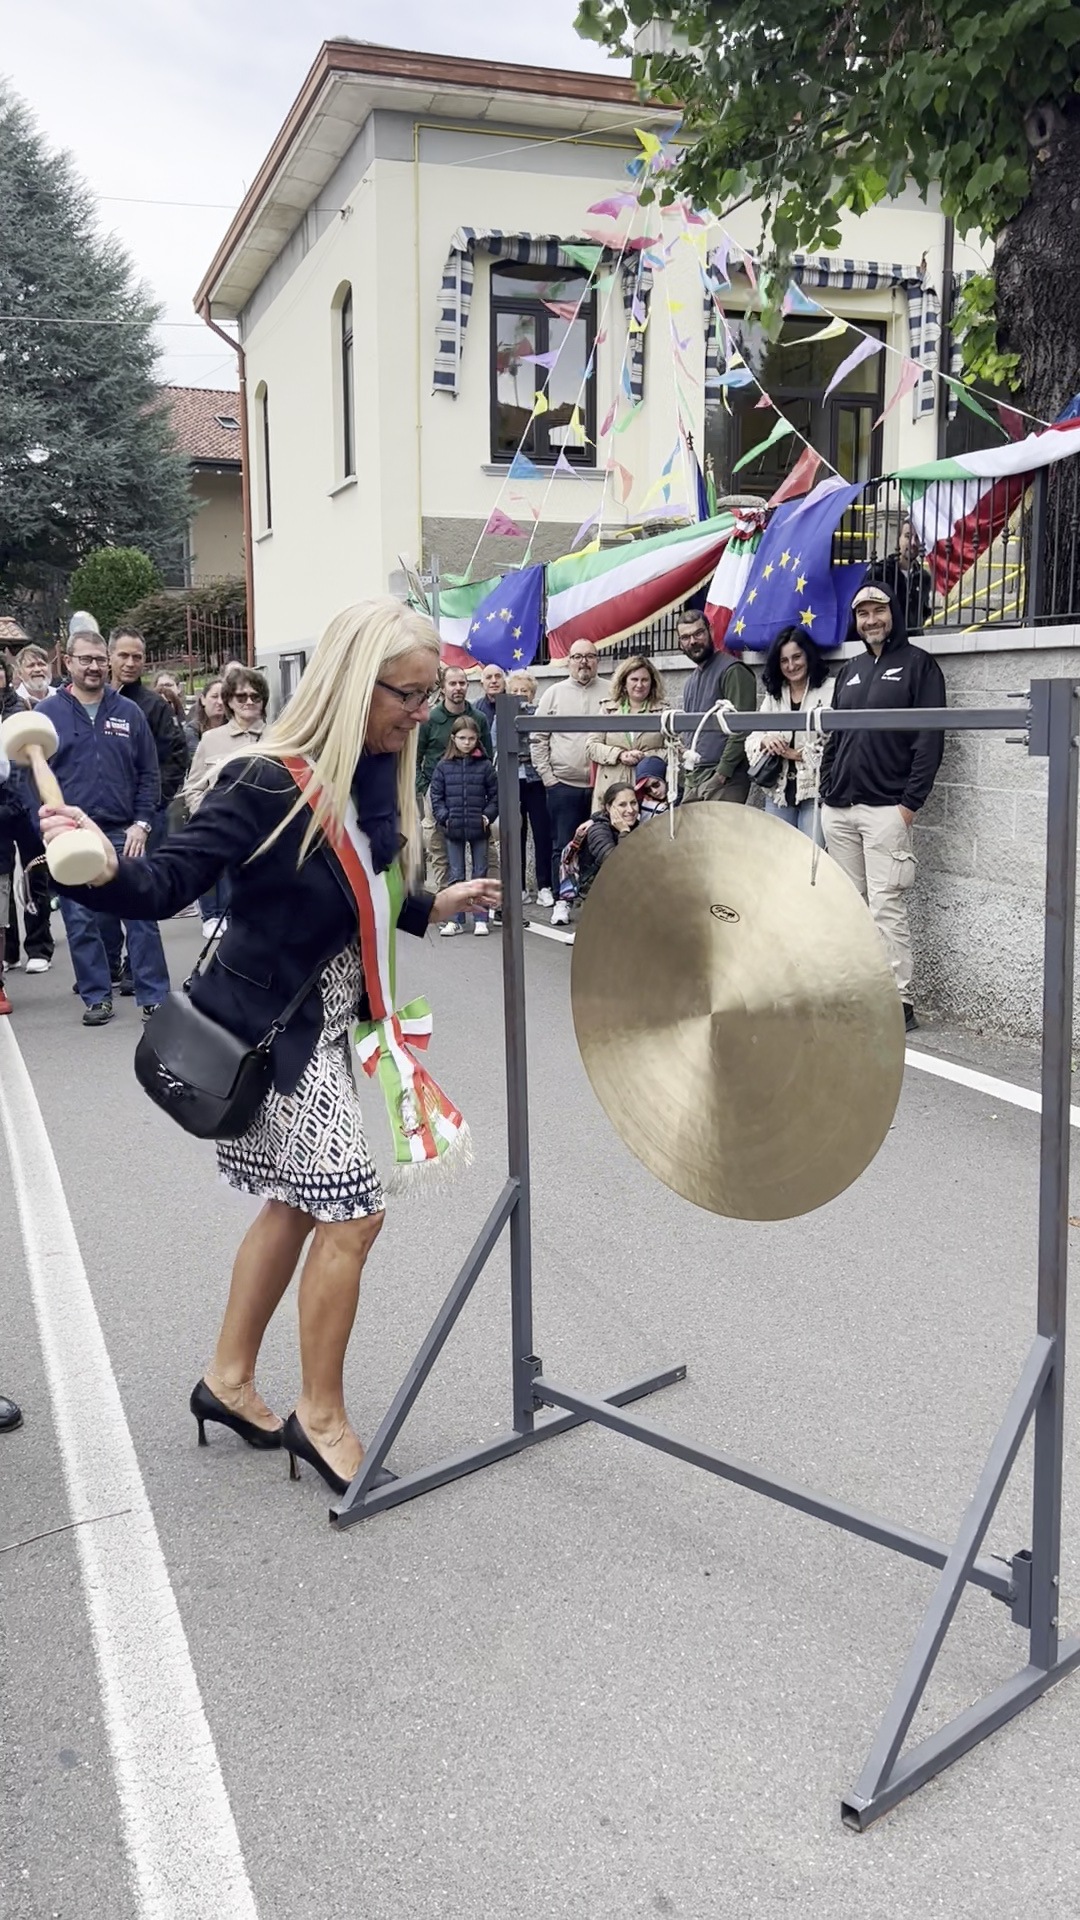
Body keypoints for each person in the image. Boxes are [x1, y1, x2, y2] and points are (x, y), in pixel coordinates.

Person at [40, 598, 499, 1495]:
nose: (423, 713)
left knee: (294, 1204)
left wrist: (427, 906)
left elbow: (358, 886)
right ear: (351, 685)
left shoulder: (372, 771)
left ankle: (227, 1380)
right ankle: (320, 1418)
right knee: (353, 1213)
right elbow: (169, 880)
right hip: (275, 1040)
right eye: (409, 695)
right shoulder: (265, 781)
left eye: (430, 694)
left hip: (324, 1030)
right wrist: (101, 863)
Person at [820, 582, 946, 1033]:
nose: (871, 620)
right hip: (839, 809)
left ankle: (898, 1001)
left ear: (893, 613)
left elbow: (930, 741)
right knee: (848, 908)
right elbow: (834, 735)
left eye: (878, 611)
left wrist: (908, 806)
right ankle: (856, 991)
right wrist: (825, 790)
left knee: (884, 907)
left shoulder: (918, 666)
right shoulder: (849, 670)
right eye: (863, 614)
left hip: (886, 811)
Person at [36, 629, 170, 1026]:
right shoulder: (47, 714)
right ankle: (97, 997)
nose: (94, 667)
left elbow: (149, 773)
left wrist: (142, 823)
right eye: (85, 660)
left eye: (99, 659)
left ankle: (154, 997)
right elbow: (32, 779)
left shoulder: (129, 713)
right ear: (69, 663)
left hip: (123, 831)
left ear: (107, 662)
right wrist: (46, 827)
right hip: (69, 833)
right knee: (79, 919)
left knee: (141, 915)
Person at [532, 641, 609, 926]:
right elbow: (538, 738)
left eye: (590, 656)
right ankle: (562, 901)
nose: (584, 662)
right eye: (577, 656)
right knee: (563, 846)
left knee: (597, 845)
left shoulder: (611, 691)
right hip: (563, 784)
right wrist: (548, 778)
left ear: (597, 661)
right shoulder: (553, 694)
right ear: (568, 662)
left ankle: (594, 902)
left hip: (601, 786)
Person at [746, 628, 835, 844]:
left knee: (810, 861)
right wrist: (766, 741)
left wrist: (798, 755)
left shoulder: (830, 689)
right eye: (784, 660)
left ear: (808, 655)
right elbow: (752, 738)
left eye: (796, 657)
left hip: (815, 791)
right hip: (778, 792)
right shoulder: (774, 696)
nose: (791, 665)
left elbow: (838, 742)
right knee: (777, 860)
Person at [415, 667, 492, 894]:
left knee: (488, 852)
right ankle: (445, 901)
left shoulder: (478, 718)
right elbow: (414, 758)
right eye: (453, 683)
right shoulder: (430, 719)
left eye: (462, 683)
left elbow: (486, 753)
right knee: (439, 849)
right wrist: (425, 788)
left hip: (473, 794)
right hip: (437, 794)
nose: (458, 688)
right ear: (443, 686)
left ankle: (490, 905)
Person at [2, 650, 54, 975]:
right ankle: (8, 949)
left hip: (25, 800)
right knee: (2, 879)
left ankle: (39, 946)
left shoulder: (21, 708)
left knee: (36, 872)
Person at [109, 628, 188, 836]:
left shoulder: (155, 706)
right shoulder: (96, 702)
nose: (130, 663)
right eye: (123, 655)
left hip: (146, 819)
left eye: (137, 657)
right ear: (110, 657)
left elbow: (176, 756)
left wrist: (154, 802)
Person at [429, 714, 499, 937]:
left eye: (471, 738)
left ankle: (480, 918)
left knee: (480, 873)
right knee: (456, 874)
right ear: (453, 738)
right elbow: (436, 796)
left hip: (479, 827)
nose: (467, 742)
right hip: (453, 828)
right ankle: (456, 919)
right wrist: (444, 817)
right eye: (462, 738)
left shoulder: (485, 765)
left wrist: (487, 816)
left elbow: (495, 796)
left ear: (477, 738)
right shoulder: (443, 766)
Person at [677, 608, 757, 803]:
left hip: (724, 780)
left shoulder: (733, 670)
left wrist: (722, 773)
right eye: (686, 637)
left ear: (710, 632)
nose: (693, 641)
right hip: (694, 779)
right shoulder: (690, 682)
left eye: (698, 633)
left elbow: (742, 727)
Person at [587, 654, 666, 807]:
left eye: (644, 680)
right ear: (624, 682)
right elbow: (591, 747)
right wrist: (620, 755)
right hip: (612, 790)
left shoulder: (664, 712)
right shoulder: (607, 709)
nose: (639, 685)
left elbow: (675, 751)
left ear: (652, 683)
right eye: (634, 679)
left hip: (650, 793)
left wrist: (646, 757)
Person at [506, 669, 553, 907]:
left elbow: (542, 744)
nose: (519, 694)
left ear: (532, 695)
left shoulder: (538, 715)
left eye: (524, 690)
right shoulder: (502, 717)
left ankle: (545, 885)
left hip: (536, 781)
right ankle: (520, 886)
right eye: (514, 691)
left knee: (542, 833)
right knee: (517, 835)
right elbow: (499, 746)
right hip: (512, 780)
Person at [872, 519, 933, 633]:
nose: (913, 543)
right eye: (907, 536)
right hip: (887, 644)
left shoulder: (924, 578)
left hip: (914, 643)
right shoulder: (880, 573)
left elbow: (924, 612)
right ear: (898, 540)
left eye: (917, 538)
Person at [472, 664, 506, 736]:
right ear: (482, 684)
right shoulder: (475, 708)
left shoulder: (513, 705)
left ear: (505, 682)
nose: (494, 681)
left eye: (498, 676)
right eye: (488, 677)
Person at [633, 755, 671, 819]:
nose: (654, 791)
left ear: (665, 778)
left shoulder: (681, 799)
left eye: (656, 785)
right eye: (648, 790)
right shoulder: (641, 804)